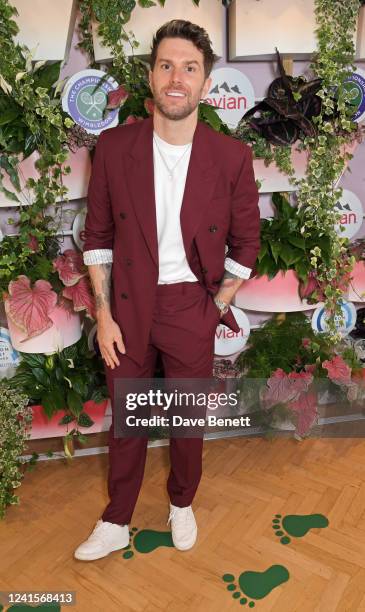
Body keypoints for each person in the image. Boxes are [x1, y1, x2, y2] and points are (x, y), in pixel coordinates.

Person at [74, 19, 260, 561]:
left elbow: (246, 244)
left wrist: (215, 308)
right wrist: (103, 316)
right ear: (152, 76)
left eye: (189, 68)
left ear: (206, 85)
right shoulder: (113, 147)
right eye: (166, 65)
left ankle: (182, 503)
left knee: (186, 421)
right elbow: (98, 238)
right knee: (127, 419)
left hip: (191, 306)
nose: (176, 78)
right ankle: (117, 519)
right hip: (127, 306)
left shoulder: (231, 158)